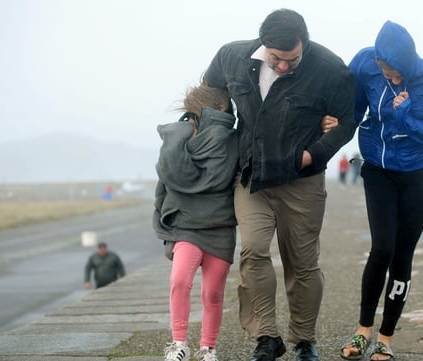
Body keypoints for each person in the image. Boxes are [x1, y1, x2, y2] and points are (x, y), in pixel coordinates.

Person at [204, 8, 356, 361]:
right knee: (253, 251)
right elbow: (211, 91)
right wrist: (211, 132)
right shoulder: (232, 57)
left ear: (304, 44)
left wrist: (313, 154)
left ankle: (304, 341)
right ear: (263, 45)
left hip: (301, 180)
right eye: (277, 58)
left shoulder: (330, 69)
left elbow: (348, 121)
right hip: (251, 176)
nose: (284, 66)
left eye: (293, 59)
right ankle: (266, 338)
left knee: (302, 263)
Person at [337, 20, 423, 361]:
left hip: (420, 173)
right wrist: (334, 125)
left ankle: (385, 338)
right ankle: (362, 332)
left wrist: (403, 117)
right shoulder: (364, 63)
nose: (392, 77)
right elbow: (354, 109)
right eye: (386, 70)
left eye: (398, 72)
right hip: (378, 169)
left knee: (402, 253)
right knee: (381, 248)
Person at [152, 81, 239, 361]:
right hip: (186, 228)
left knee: (213, 293)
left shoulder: (233, 141)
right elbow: (164, 183)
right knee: (179, 281)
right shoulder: (178, 144)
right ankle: (178, 345)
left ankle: (208, 348)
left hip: (220, 228)